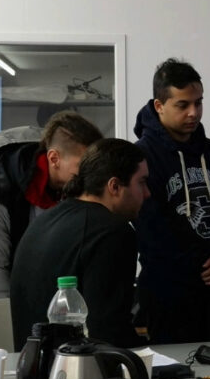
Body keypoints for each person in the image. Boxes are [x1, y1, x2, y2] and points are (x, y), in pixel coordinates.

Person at [133, 58, 210, 344]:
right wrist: (208, 267)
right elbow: (152, 229)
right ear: (159, 106)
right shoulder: (141, 156)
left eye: (198, 103)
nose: (193, 113)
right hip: (169, 294)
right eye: (182, 105)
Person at [10, 138, 149, 350]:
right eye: (142, 182)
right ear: (114, 186)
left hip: (31, 366)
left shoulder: (46, 219)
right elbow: (108, 332)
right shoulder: (113, 232)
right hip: (79, 371)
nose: (147, 193)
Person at [0, 110, 103, 302]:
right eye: (83, 166)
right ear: (54, 159)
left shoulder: (72, 188)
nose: (91, 175)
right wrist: (8, 329)